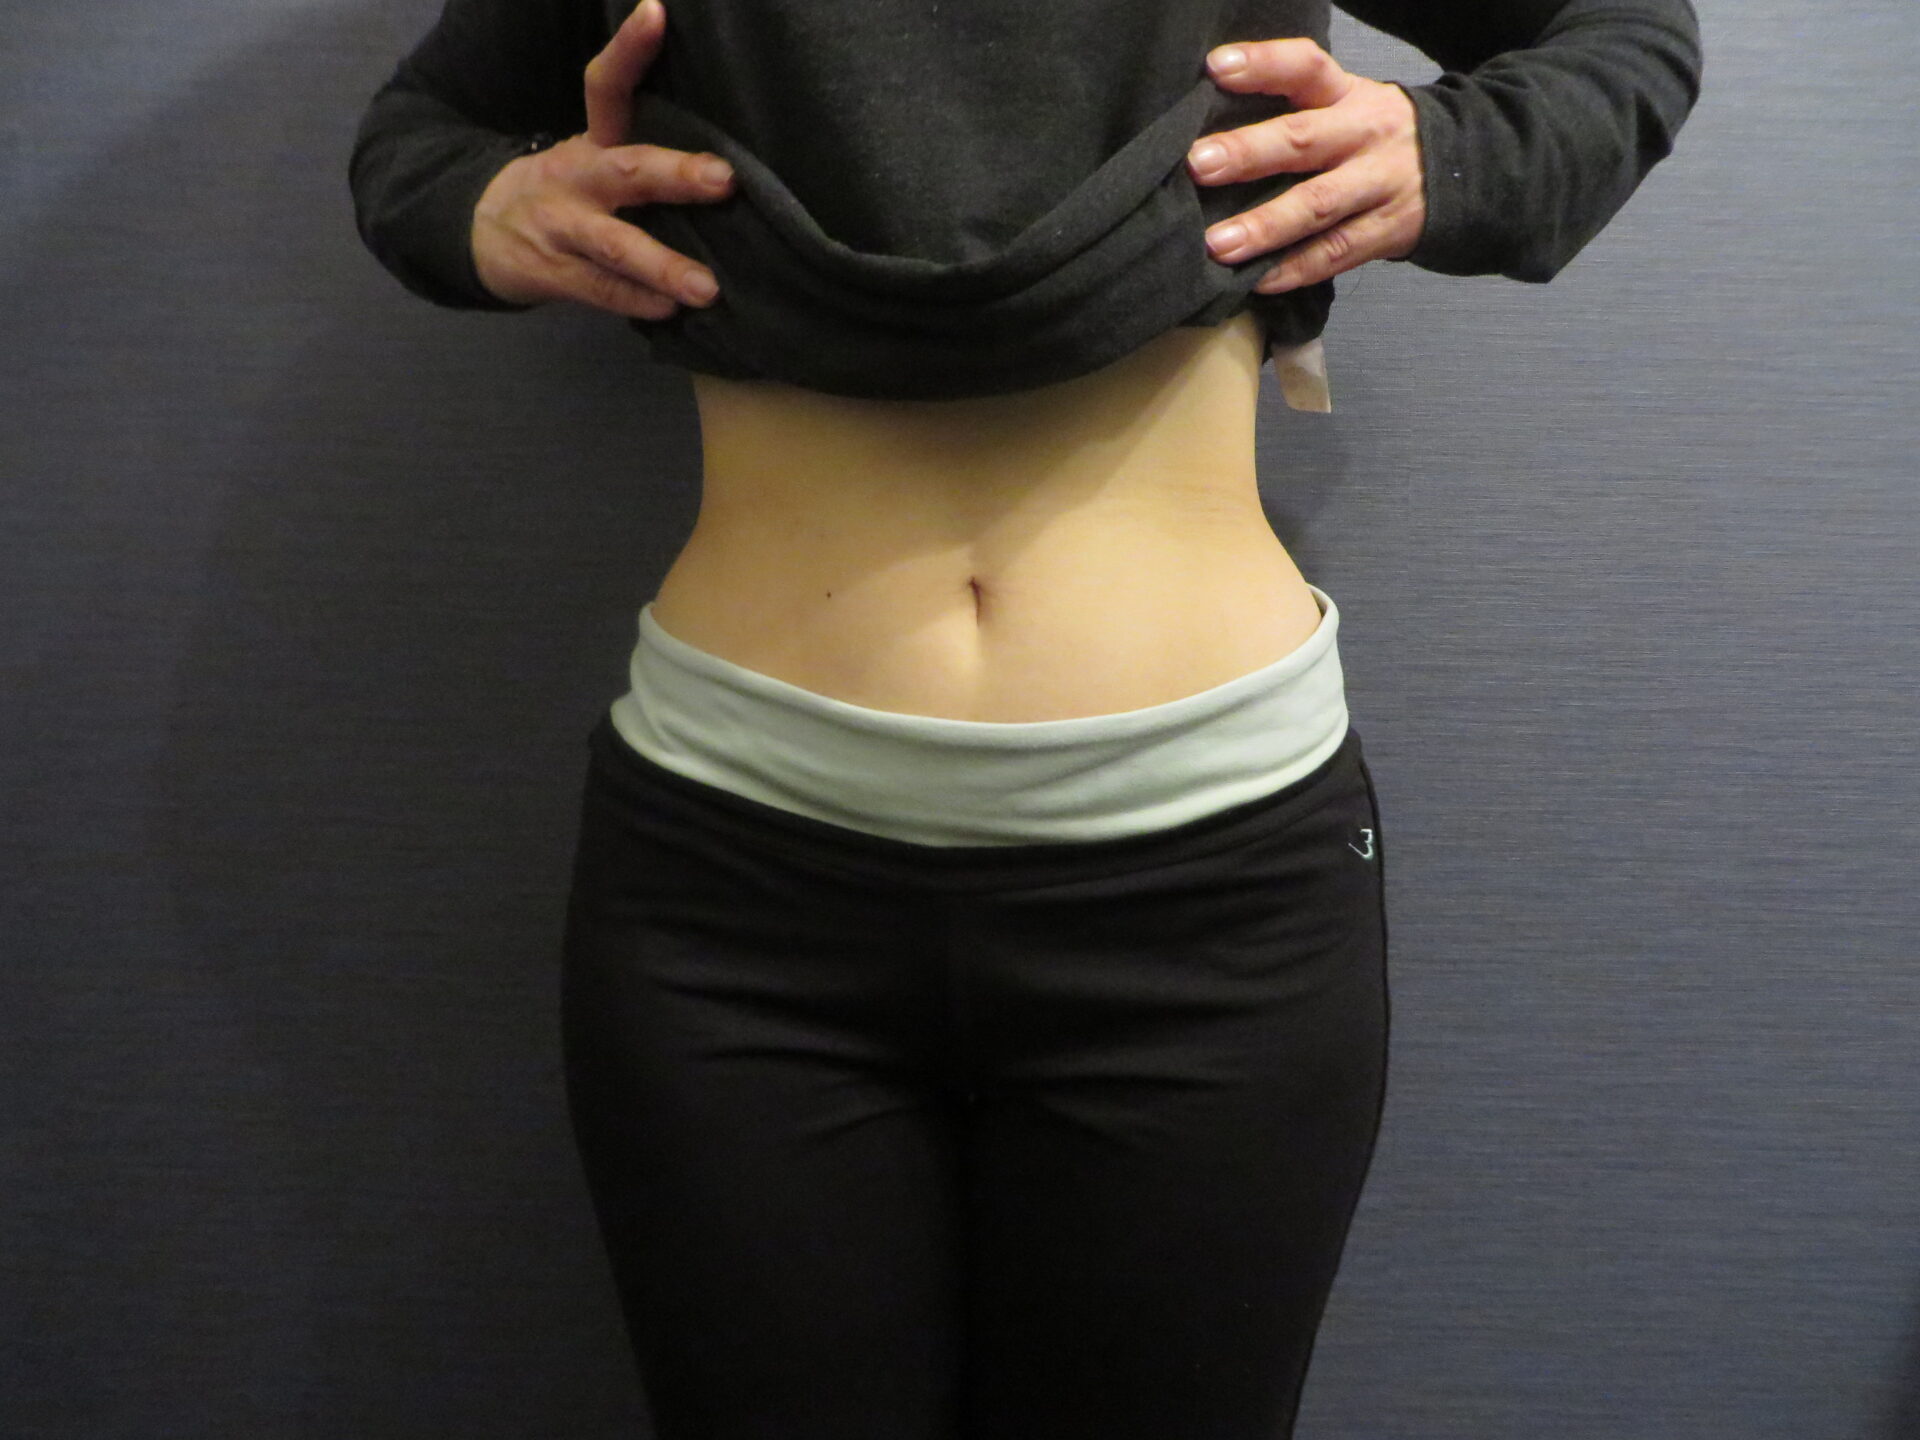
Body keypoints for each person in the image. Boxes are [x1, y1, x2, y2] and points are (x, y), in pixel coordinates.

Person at [348, 1, 1702, 1434]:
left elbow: (1621, 31)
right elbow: (419, 137)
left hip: (1206, 899)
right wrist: (484, 210)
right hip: (739, 897)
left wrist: (1458, 155)